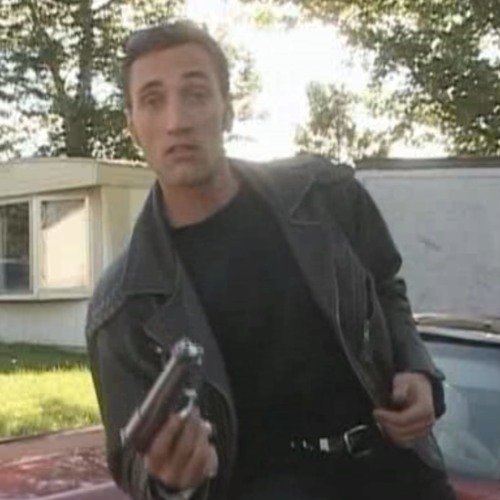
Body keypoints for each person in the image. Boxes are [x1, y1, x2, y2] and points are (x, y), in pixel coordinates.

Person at [85, 20, 457, 500]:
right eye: (153, 100)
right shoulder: (124, 304)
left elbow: (386, 286)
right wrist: (172, 479)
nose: (177, 120)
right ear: (133, 124)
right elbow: (133, 464)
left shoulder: (324, 196)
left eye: (196, 94)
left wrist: (417, 370)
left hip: (402, 478)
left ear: (227, 110)